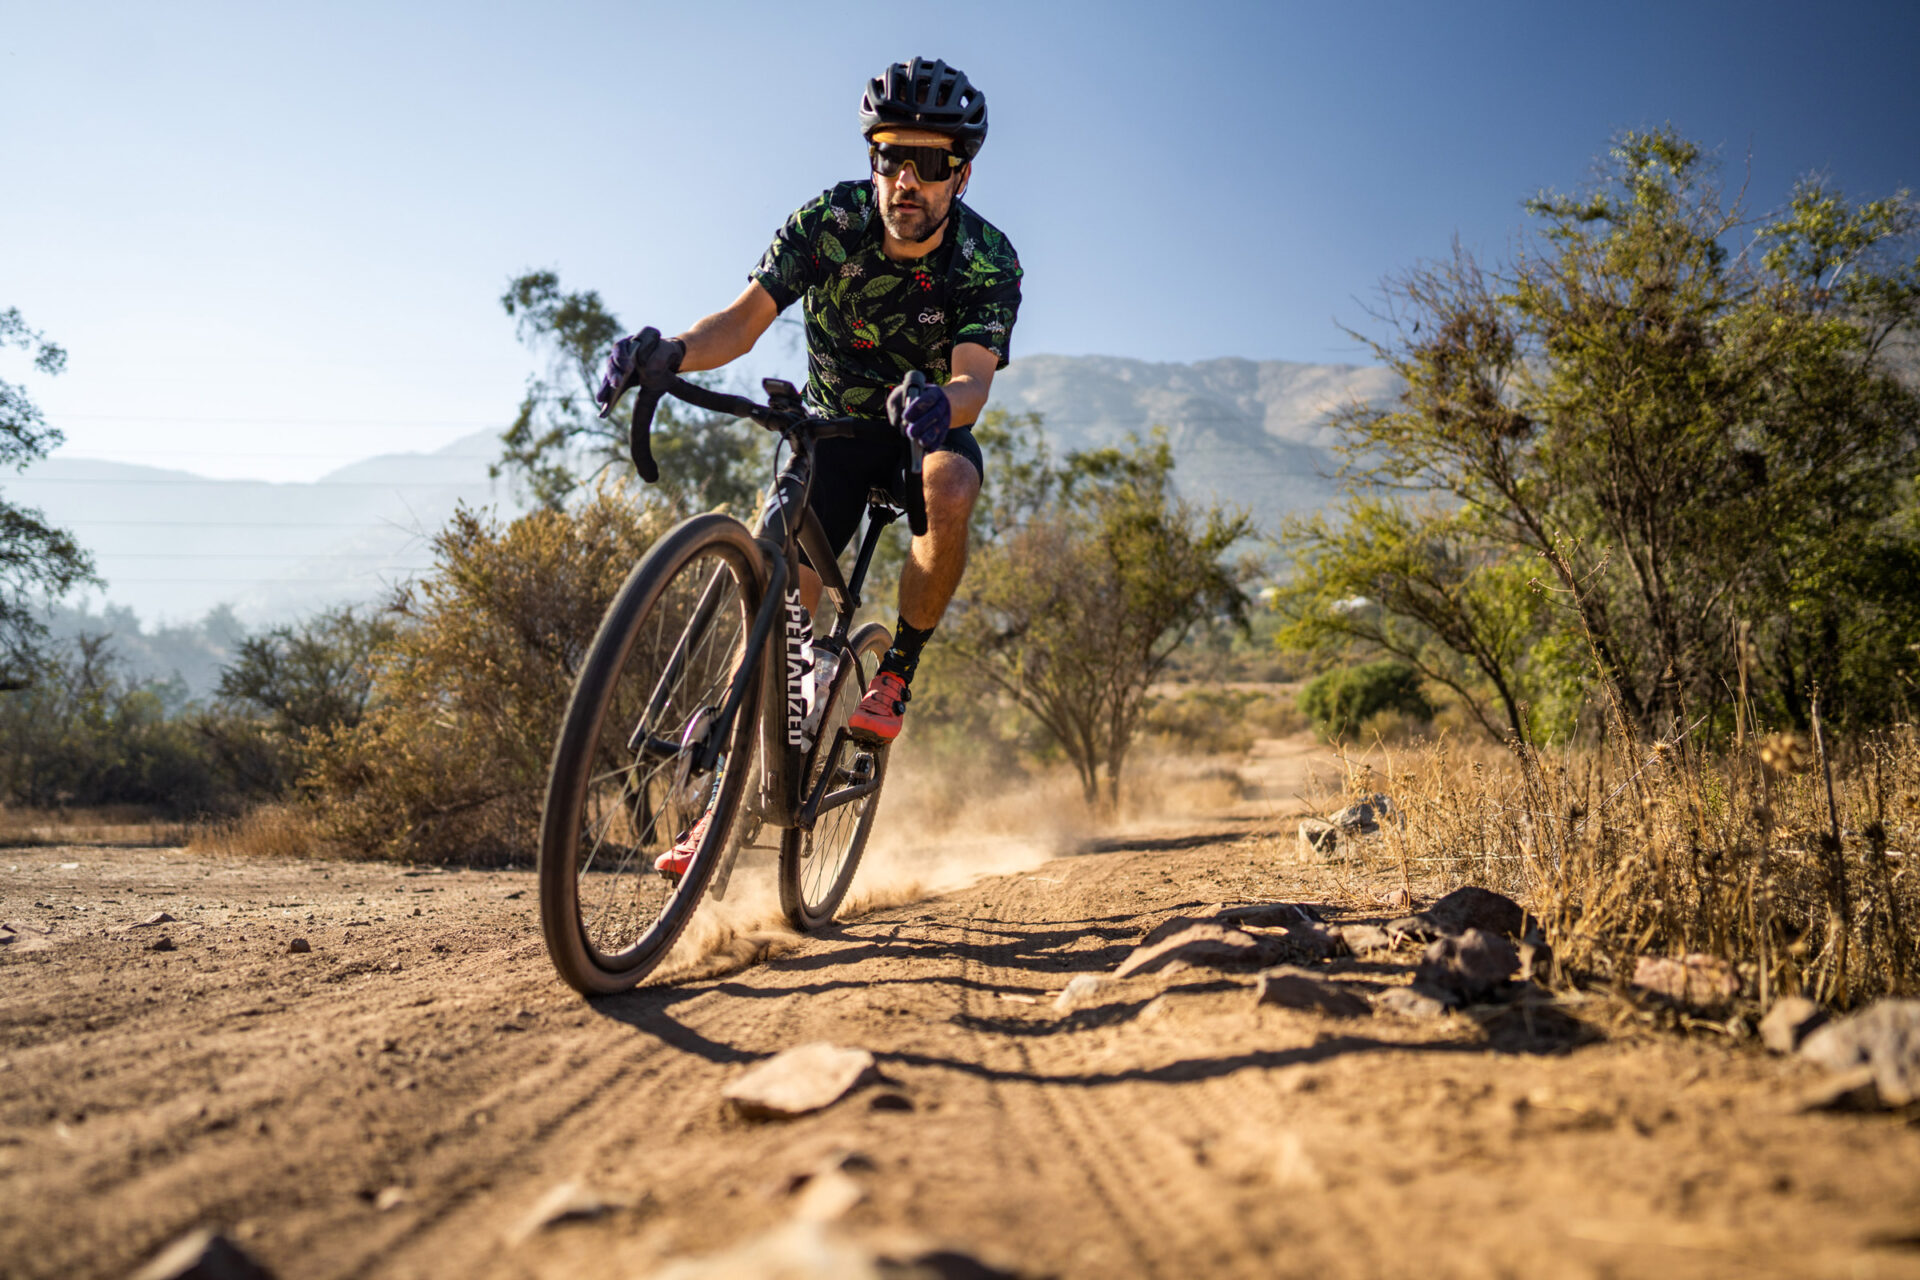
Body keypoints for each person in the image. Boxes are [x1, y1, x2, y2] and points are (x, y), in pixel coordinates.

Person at [596, 58, 1022, 875]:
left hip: (918, 425)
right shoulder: (829, 221)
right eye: (891, 156)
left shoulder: (985, 259)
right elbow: (743, 322)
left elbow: (972, 380)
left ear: (961, 174)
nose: (906, 179)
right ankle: (721, 806)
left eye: (929, 163)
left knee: (952, 480)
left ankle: (895, 671)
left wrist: (941, 403)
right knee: (777, 593)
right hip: (829, 431)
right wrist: (672, 351)